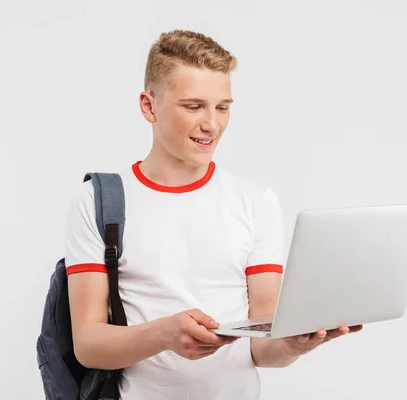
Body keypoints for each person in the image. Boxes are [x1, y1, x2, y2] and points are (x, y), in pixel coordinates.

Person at [64, 29, 362, 400]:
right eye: (193, 106)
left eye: (223, 107)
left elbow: (261, 346)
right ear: (149, 106)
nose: (212, 124)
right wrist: (166, 335)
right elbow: (88, 344)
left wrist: (295, 343)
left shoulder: (256, 201)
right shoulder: (97, 200)